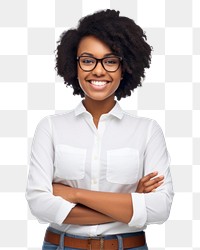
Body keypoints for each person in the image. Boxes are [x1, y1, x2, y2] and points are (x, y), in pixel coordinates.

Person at [26, 9, 174, 250]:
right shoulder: (50, 128)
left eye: (110, 61)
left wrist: (75, 195)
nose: (98, 70)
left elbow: (159, 209)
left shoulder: (147, 131)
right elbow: (39, 204)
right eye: (87, 60)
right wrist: (130, 204)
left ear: (125, 67)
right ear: (74, 65)